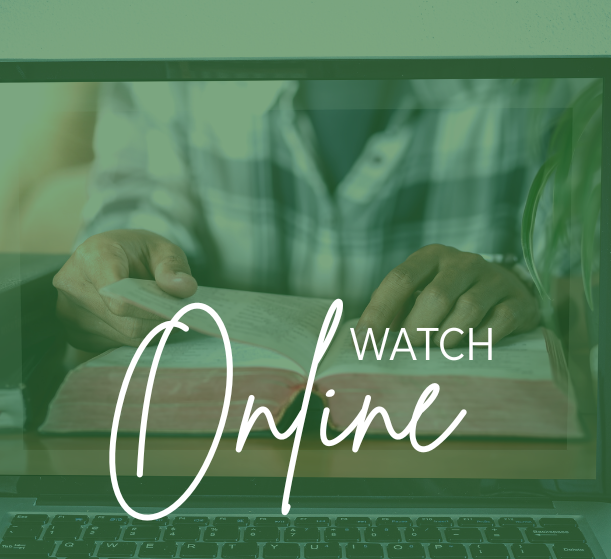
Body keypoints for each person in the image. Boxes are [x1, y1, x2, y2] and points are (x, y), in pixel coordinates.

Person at [53, 78, 548, 354]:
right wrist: (118, 277)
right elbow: (140, 213)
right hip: (212, 466)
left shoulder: (544, 75)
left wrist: (526, 288)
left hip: (457, 469)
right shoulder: (163, 58)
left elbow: (570, 281)